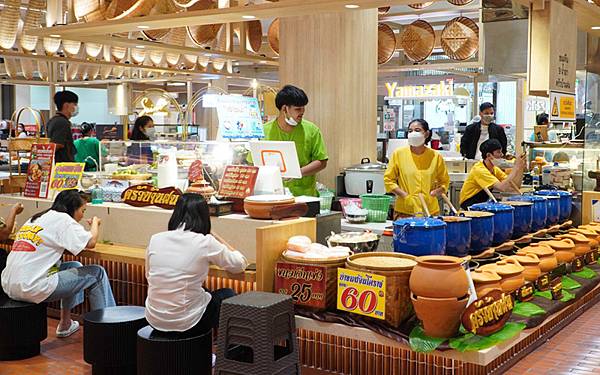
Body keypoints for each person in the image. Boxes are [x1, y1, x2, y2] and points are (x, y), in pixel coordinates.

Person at [1, 190, 115, 338]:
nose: (82, 215)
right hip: (31, 287)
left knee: (74, 266)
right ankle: (109, 330)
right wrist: (95, 223)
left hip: (8, 284)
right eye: (83, 210)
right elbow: (91, 242)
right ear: (72, 208)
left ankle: (65, 323)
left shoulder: (36, 217)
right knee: (97, 273)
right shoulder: (63, 220)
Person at [145, 193, 247, 339]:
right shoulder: (205, 242)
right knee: (228, 295)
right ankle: (231, 353)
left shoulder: (155, 239)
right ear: (204, 216)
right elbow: (239, 264)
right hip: (187, 323)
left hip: (154, 318)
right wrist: (215, 236)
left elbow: (149, 276)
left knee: (202, 292)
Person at [255, 85, 328, 197]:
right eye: (298, 109)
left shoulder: (312, 130)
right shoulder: (264, 131)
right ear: (285, 109)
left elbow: (321, 161)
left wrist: (297, 173)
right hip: (271, 195)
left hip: (305, 197)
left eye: (303, 108)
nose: (302, 112)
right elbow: (254, 162)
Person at [384, 119, 450, 218]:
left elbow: (444, 182)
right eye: (410, 131)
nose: (413, 133)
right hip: (405, 210)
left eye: (417, 130)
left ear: (426, 134)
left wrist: (434, 193)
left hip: (430, 211)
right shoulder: (399, 154)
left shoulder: (435, 156)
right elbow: (388, 180)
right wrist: (405, 196)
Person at [459, 139, 526, 209]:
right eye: (498, 152)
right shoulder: (479, 170)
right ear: (489, 155)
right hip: (468, 204)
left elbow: (515, 186)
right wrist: (516, 167)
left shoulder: (494, 169)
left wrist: (520, 168)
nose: (502, 155)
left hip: (480, 203)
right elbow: (502, 187)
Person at [47, 90, 79, 163]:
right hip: (63, 167)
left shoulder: (53, 120)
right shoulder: (62, 122)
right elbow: (57, 144)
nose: (76, 107)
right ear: (66, 105)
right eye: (74, 104)